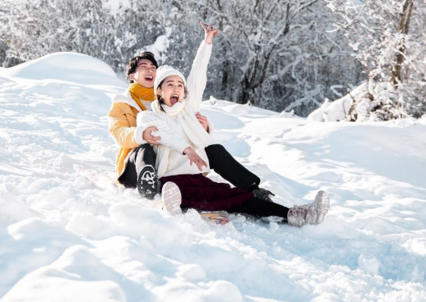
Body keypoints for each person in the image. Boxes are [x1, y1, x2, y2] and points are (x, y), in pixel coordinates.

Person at [136, 24, 330, 227]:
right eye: (170, 85)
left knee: (236, 198)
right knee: (179, 193)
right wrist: (187, 150)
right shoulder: (148, 116)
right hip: (171, 179)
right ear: (159, 91)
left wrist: (207, 42)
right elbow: (164, 134)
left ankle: (297, 214)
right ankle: (169, 205)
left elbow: (198, 76)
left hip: (196, 176)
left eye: (180, 85)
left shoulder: (188, 110)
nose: (176, 88)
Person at [107, 23, 274, 202]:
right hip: (138, 164)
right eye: (143, 66)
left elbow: (196, 81)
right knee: (145, 147)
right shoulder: (123, 104)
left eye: (153, 67)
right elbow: (119, 133)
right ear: (132, 75)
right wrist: (141, 134)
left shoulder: (171, 97)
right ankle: (149, 185)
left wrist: (204, 126)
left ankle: (254, 189)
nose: (150, 69)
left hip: (174, 160)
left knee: (214, 150)